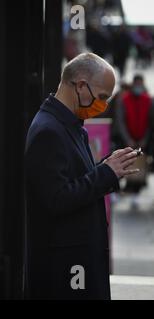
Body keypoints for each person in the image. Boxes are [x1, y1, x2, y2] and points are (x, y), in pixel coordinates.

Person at [25, 52, 140, 299]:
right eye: (101, 97)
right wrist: (105, 174)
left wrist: (106, 167)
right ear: (80, 86)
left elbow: (73, 179)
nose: (103, 105)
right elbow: (56, 198)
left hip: (75, 261)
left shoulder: (69, 124)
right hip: (65, 268)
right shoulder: (49, 130)